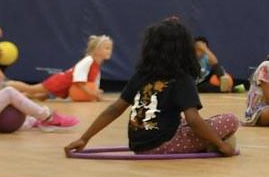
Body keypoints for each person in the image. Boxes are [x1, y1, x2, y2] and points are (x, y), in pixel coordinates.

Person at [64, 19, 239, 157]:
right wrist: (221, 145)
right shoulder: (182, 79)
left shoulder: (141, 75)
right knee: (230, 120)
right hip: (162, 144)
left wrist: (84, 138)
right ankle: (209, 145)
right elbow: (194, 120)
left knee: (184, 123)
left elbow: (114, 109)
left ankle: (205, 144)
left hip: (139, 145)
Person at [6, 35, 111, 101]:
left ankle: (14, 97)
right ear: (96, 50)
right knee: (31, 89)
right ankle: (3, 85)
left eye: (110, 48)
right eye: (106, 48)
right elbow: (79, 81)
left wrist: (99, 96)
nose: (109, 51)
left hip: (66, 87)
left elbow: (93, 87)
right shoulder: (88, 60)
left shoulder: (97, 67)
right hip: (61, 82)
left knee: (40, 96)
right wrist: (91, 93)